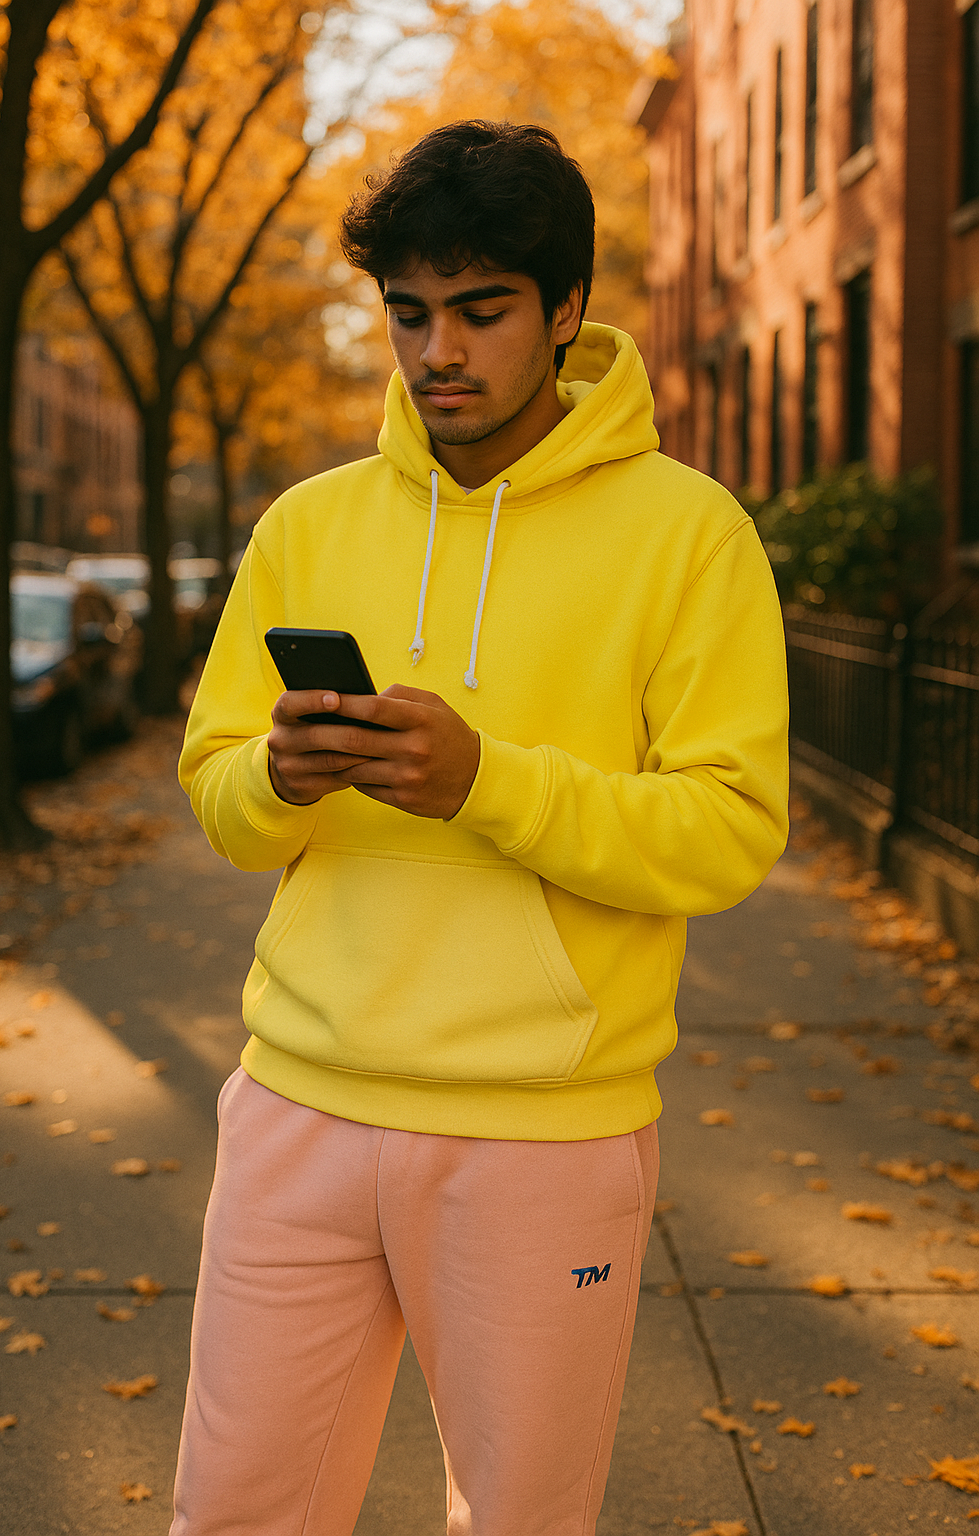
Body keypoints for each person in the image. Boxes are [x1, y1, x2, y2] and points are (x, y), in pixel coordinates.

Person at [172, 120, 789, 1536]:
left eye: (481, 310)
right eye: (410, 314)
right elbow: (219, 800)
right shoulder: (308, 526)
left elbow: (729, 829)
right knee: (234, 1514)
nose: (438, 351)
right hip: (299, 1108)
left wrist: (487, 784)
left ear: (566, 310)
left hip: (542, 1134)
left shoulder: (690, 534)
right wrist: (280, 776)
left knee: (519, 1520)